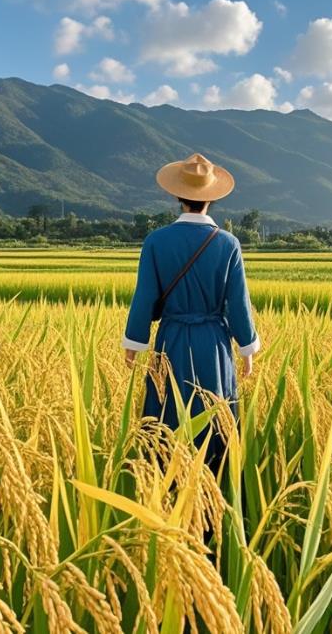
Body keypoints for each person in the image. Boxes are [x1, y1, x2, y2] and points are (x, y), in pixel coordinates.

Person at [122, 153, 260, 469]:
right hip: (214, 345)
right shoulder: (228, 244)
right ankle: (211, 491)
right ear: (211, 199)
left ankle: (164, 483)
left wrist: (134, 345)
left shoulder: (156, 241)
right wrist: (247, 350)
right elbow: (238, 303)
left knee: (166, 411)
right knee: (215, 415)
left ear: (177, 195)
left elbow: (144, 296)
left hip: (171, 342)